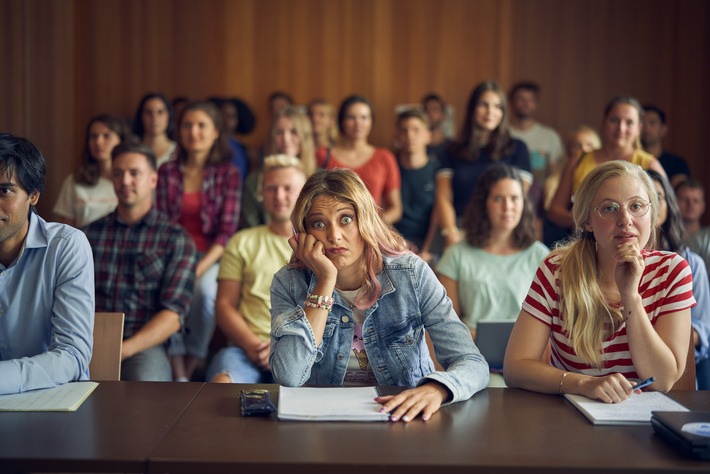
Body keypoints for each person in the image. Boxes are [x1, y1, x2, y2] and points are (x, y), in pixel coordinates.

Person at [270, 168, 489, 422]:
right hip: (325, 422)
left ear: (365, 220)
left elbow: (472, 362)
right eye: (319, 224)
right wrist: (325, 281)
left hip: (402, 419)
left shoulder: (411, 274)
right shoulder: (288, 283)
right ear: (304, 233)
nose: (334, 236)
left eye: (345, 219)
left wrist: (436, 389)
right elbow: (289, 376)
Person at [504, 160, 694, 402]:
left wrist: (630, 296)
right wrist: (584, 384)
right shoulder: (556, 270)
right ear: (587, 222)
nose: (625, 219)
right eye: (609, 208)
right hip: (570, 418)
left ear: (652, 214)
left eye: (636, 206)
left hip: (645, 424)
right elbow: (516, 367)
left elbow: (662, 380)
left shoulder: (673, 271)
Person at [85, 143, 197, 381]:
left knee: (147, 387)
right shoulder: (87, 235)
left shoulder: (175, 239)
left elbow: (173, 314)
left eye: (134, 173)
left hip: (144, 346)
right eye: (118, 173)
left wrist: (122, 350)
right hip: (87, 342)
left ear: (154, 180)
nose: (125, 181)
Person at [0, 133, 94, 394]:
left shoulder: (67, 246)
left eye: (4, 190)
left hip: (56, 402)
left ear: (34, 196)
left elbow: (72, 355)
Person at [156, 100, 241, 381]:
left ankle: (194, 362)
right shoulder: (167, 172)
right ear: (179, 131)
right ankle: (178, 370)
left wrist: (197, 268)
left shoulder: (228, 174)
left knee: (204, 293)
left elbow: (226, 232)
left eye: (202, 125)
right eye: (187, 125)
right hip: (171, 253)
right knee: (168, 290)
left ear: (216, 132)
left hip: (211, 255)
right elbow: (162, 223)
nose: (194, 132)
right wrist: (178, 264)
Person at [207, 155, 307, 383]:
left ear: (303, 194)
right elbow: (224, 305)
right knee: (221, 384)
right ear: (261, 193)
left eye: (287, 188)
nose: (279, 196)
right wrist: (254, 346)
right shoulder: (242, 241)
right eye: (271, 188)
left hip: (301, 350)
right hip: (245, 350)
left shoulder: (316, 245)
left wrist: (285, 350)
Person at [437, 164, 549, 338]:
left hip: (527, 350)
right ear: (484, 203)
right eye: (498, 199)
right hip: (471, 348)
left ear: (524, 202)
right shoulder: (456, 254)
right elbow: (447, 322)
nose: (508, 207)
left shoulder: (540, 255)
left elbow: (552, 320)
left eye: (514, 198)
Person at [435, 80, 532, 249]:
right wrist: (451, 232)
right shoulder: (451, 150)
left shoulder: (517, 148)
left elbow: (518, 197)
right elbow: (444, 197)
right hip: (459, 230)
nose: (490, 112)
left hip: (502, 231)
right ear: (472, 109)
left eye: (497, 106)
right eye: (483, 105)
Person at [547, 96, 667, 229]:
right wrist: (590, 221)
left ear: (639, 128)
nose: (621, 128)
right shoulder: (578, 161)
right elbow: (555, 210)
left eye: (629, 122)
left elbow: (663, 211)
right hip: (584, 239)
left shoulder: (649, 164)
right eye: (614, 120)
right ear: (603, 122)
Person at [647, 169, 710, 389]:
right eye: (641, 198)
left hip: (676, 370)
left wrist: (667, 333)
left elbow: (704, 327)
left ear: (669, 206)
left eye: (658, 197)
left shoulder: (692, 264)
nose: (650, 205)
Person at [316, 95, 403, 225]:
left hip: (373, 231)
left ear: (371, 122)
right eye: (351, 117)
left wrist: (372, 225)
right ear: (342, 121)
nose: (358, 123)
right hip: (333, 231)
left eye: (364, 117)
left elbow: (396, 209)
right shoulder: (323, 155)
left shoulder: (385, 157)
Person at [241, 106, 316, 229]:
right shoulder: (255, 180)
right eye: (279, 133)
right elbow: (251, 226)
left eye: (293, 132)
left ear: (305, 136)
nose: (286, 139)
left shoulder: (320, 178)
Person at [53, 114, 129, 227]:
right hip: (85, 243)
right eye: (94, 136)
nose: (98, 142)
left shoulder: (129, 181)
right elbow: (65, 232)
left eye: (106, 136)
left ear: (121, 140)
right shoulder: (74, 181)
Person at [542, 125, 601, 248]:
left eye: (589, 145)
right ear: (568, 150)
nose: (584, 150)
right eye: (577, 145)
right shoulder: (552, 182)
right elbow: (552, 215)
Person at [393, 108, 439, 262]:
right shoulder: (390, 166)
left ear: (428, 136)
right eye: (404, 131)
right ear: (398, 136)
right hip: (392, 243)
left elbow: (439, 214)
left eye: (416, 130)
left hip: (429, 246)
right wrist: (396, 243)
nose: (409, 136)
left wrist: (428, 249)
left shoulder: (438, 171)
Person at [508, 81, 565, 185]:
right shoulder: (502, 135)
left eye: (531, 100)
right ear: (511, 102)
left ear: (536, 104)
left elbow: (556, 175)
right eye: (521, 99)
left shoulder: (550, 136)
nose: (526, 103)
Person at [642, 105, 690, 188]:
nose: (646, 128)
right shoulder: (629, 160)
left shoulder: (677, 164)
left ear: (663, 129)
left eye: (652, 123)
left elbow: (678, 195)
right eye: (643, 123)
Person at [132, 92, 177, 167]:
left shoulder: (179, 152)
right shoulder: (132, 150)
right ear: (141, 116)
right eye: (149, 112)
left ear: (169, 115)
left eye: (160, 112)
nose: (154, 118)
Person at [421, 93, 454, 157]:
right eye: (426, 110)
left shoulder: (453, 149)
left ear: (444, 116)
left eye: (434, 110)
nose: (429, 114)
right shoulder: (418, 149)